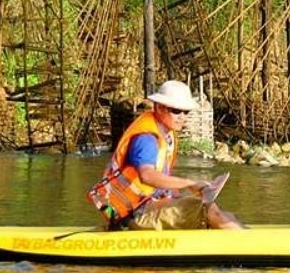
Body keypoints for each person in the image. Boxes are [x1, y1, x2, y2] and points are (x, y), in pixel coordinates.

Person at [89, 80, 244, 230]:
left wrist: (183, 192)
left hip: (147, 206)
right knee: (207, 209)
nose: (182, 116)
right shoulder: (147, 139)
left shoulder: (166, 135)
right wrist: (189, 183)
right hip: (135, 213)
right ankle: (247, 247)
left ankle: (239, 235)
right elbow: (147, 176)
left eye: (186, 111)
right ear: (159, 108)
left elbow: (160, 182)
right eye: (176, 111)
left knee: (222, 212)